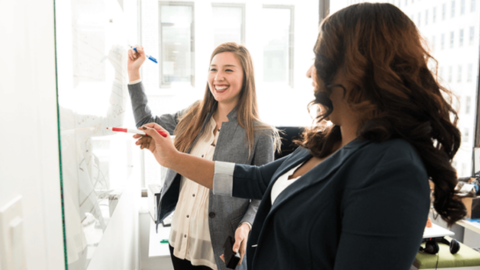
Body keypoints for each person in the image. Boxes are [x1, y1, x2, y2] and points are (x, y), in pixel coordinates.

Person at [135, 3, 467, 270]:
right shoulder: (326, 141)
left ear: (356, 68)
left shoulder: (392, 168)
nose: (310, 71)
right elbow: (253, 179)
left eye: (318, 59)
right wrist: (173, 159)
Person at [127, 42, 278, 270]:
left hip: (221, 247)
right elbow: (145, 124)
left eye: (228, 69)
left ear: (246, 77)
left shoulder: (261, 133)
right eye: (213, 68)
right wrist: (134, 72)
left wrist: (246, 225)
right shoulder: (194, 114)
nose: (218, 77)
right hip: (180, 238)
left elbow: (263, 194)